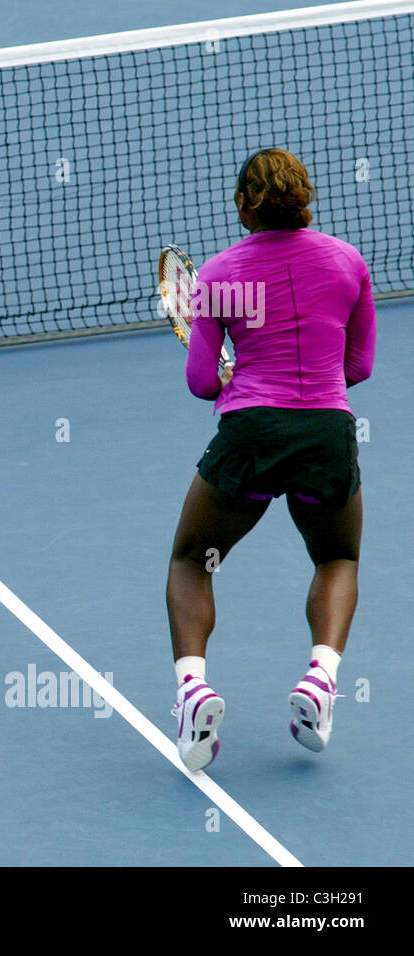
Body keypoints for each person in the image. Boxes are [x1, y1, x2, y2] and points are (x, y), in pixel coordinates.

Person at [167, 149, 374, 772]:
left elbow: (203, 381)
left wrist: (239, 374)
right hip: (327, 434)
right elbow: (358, 366)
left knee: (191, 560)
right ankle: (321, 679)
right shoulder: (348, 263)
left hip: (251, 435)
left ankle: (193, 692)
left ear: (241, 205)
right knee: (336, 556)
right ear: (304, 197)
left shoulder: (221, 276)